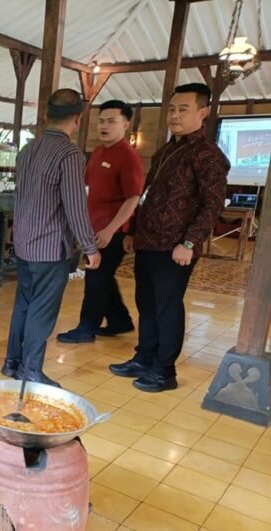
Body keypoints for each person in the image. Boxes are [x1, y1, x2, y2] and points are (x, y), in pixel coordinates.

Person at [109, 82, 229, 392]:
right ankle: (144, 357)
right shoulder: (166, 150)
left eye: (183, 109)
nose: (175, 115)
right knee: (146, 303)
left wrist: (189, 242)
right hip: (148, 242)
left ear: (202, 112)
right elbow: (147, 196)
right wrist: (133, 231)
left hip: (176, 247)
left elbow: (212, 204)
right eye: (172, 109)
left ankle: (164, 371)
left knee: (167, 306)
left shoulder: (207, 154)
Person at [1, 88, 101, 387]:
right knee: (42, 311)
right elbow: (74, 204)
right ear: (78, 119)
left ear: (46, 114)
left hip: (24, 242)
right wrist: (90, 246)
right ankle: (31, 371)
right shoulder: (69, 153)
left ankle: (12, 364)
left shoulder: (28, 150)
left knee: (24, 304)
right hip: (49, 247)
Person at [57, 100, 144, 344]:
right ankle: (120, 320)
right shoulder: (98, 152)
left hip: (111, 231)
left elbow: (133, 198)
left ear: (126, 124)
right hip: (93, 228)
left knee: (96, 277)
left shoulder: (128, 156)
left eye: (111, 121)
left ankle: (87, 328)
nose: (104, 126)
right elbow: (86, 186)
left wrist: (111, 230)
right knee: (102, 276)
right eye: (101, 121)